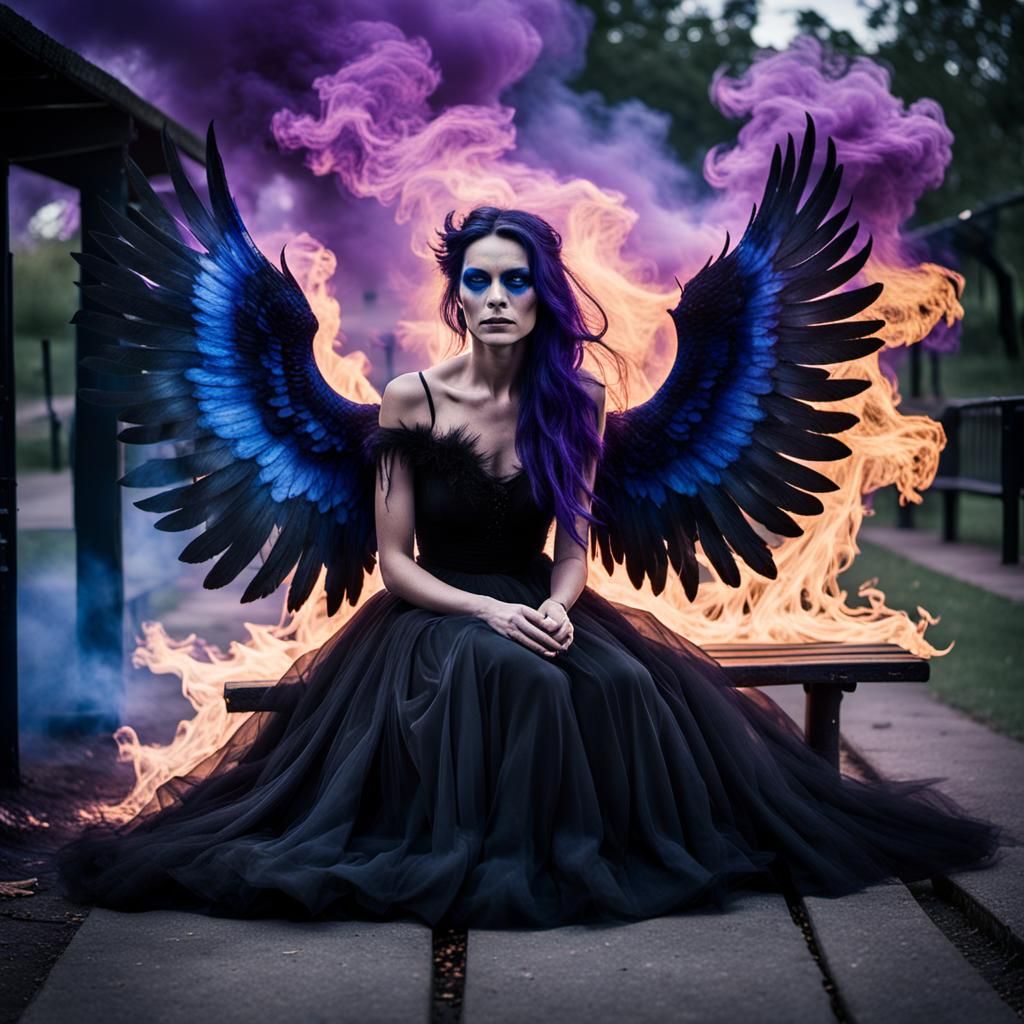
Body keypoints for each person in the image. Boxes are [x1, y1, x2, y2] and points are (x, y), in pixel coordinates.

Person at [58, 126, 1015, 930]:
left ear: (541, 293)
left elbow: (574, 547)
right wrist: (489, 613)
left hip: (544, 602)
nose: (495, 300)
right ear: (456, 294)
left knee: (625, 681)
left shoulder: (579, 402)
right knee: (522, 680)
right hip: (435, 619)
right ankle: (502, 864)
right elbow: (393, 562)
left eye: (515, 283)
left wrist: (559, 604)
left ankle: (594, 852)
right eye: (478, 282)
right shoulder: (408, 400)